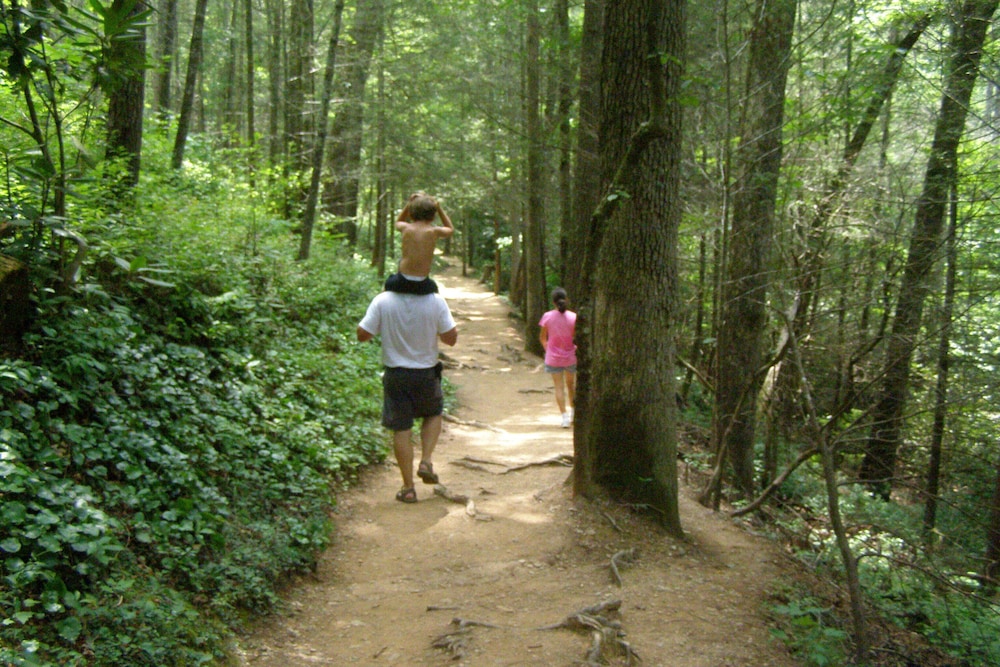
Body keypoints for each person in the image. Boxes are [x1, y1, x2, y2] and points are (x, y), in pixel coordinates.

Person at [357, 287, 458, 503]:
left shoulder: (382, 300)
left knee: (401, 429)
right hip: (426, 374)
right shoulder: (436, 301)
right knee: (433, 413)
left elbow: (362, 334)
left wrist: (387, 325)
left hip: (396, 375)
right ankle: (426, 460)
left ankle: (408, 488)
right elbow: (451, 339)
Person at [383, 192, 454, 295]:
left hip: (401, 281)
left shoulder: (406, 228)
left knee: (386, 287)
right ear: (433, 215)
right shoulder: (434, 231)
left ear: (411, 214)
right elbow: (450, 229)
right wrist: (439, 209)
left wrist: (409, 204)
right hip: (423, 282)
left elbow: (398, 221)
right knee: (435, 293)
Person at [538, 287, 577, 428]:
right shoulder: (574, 317)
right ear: (566, 299)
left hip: (553, 358)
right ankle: (573, 413)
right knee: (571, 385)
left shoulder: (547, 316)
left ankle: (564, 417)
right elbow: (574, 337)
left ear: (553, 302)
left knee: (559, 387)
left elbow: (542, 337)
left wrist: (548, 349)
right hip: (570, 356)